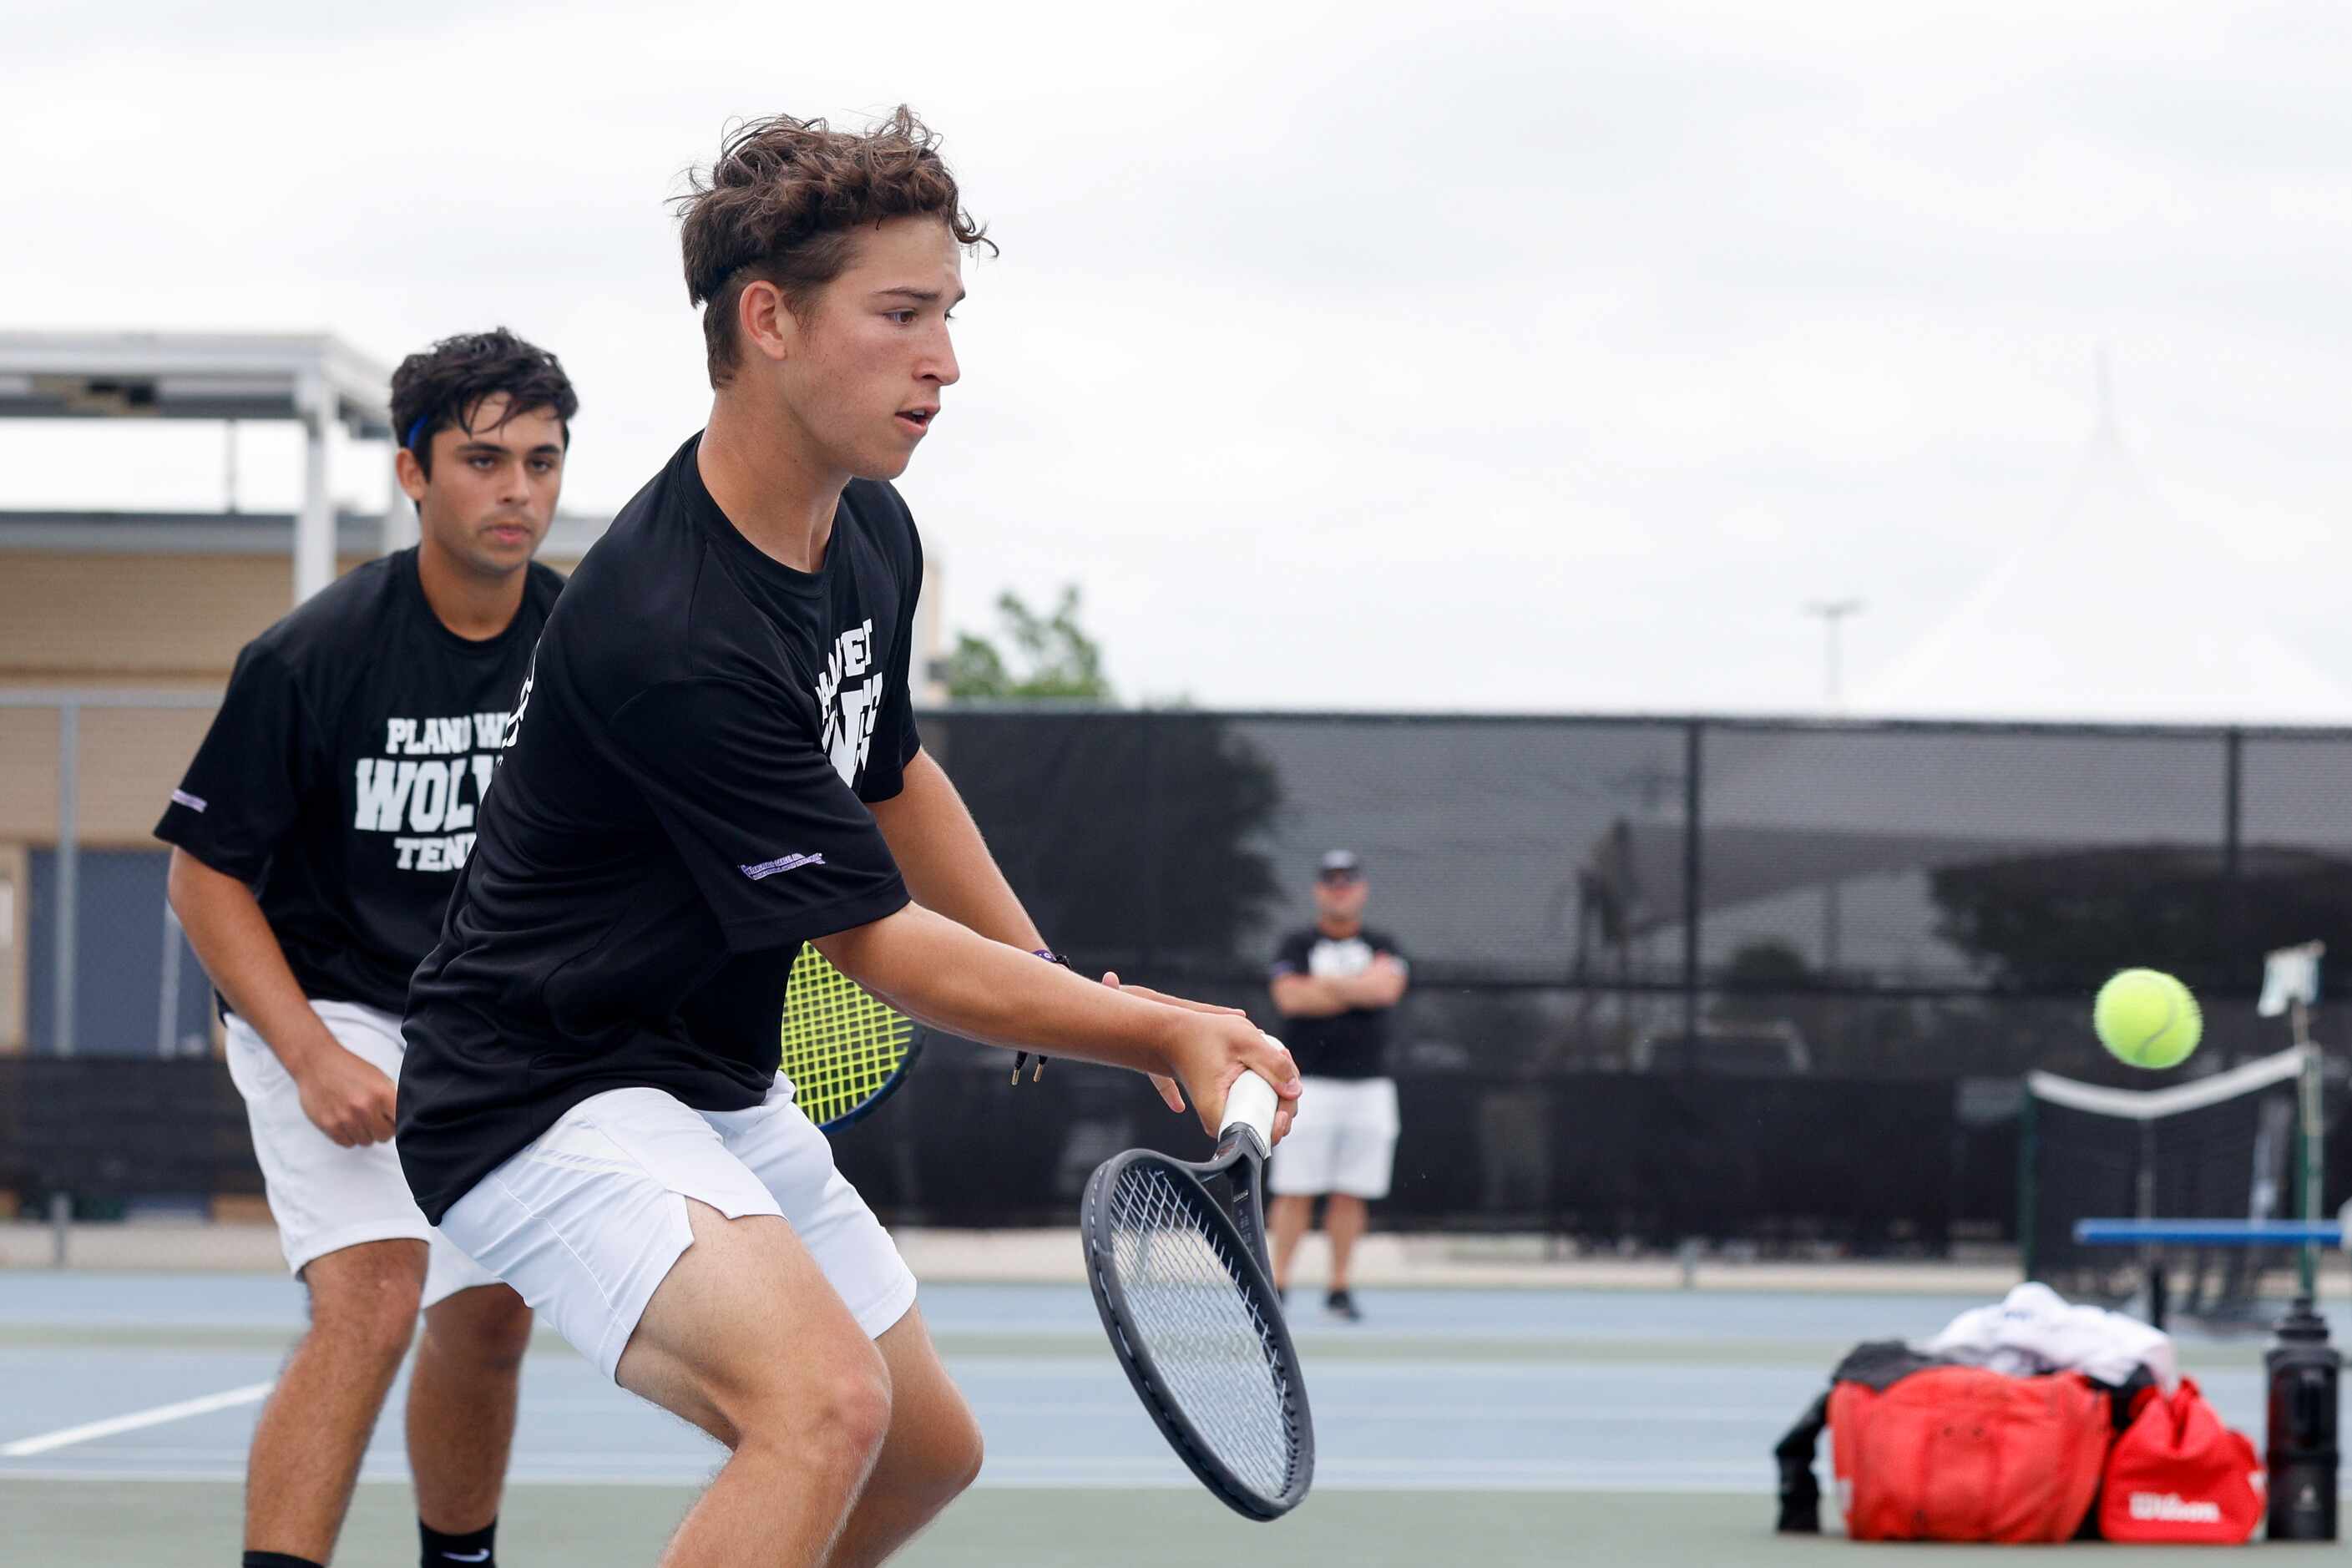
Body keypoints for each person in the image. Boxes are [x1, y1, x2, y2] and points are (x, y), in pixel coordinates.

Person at [394, 108, 1300, 1568]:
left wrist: (1044, 968)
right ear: (768, 320)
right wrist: (1159, 1032)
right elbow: (868, 936)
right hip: (534, 1090)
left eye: (947, 313)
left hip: (706, 1074)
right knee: (820, 1404)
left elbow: (888, 767)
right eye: (901, 315)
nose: (944, 360)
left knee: (924, 1451)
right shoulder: (669, 628)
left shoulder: (868, 528)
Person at [157, 328, 577, 1568]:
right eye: (483, 459)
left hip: (486, 1019)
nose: (518, 492)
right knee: (378, 1292)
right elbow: (203, 876)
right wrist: (307, 1056)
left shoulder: (586, 644)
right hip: (326, 998)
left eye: (543, 463)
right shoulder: (312, 655)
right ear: (412, 471)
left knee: (490, 1314)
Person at [1266, 849, 1409, 1321]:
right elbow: (1291, 998)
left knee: (1352, 1190)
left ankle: (1339, 1287)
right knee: (1296, 1188)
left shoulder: (1385, 942)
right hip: (1307, 1086)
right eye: (1331, 881)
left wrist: (1326, 988)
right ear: (1318, 890)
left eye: (1348, 881)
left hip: (1369, 1088)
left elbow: (1386, 990)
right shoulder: (1295, 944)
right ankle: (1278, 1285)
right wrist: (1357, 986)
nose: (1340, 889)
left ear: (1361, 889)